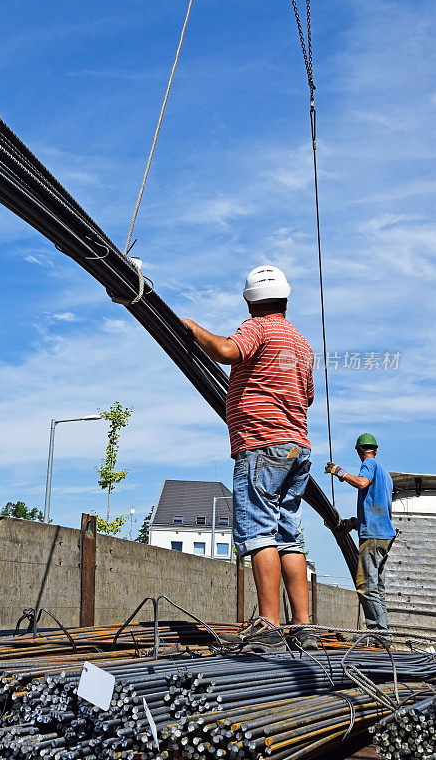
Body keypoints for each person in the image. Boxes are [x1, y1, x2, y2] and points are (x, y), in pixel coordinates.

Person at [182, 265, 316, 651]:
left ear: (249, 300)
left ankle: (268, 625)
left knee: (259, 532)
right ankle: (303, 627)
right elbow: (306, 396)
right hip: (297, 447)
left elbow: (227, 351)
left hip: (262, 445)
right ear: (286, 298)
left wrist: (193, 328)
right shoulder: (302, 344)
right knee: (289, 537)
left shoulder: (258, 327)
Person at [325, 433, 396, 641]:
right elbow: (377, 507)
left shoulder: (369, 465)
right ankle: (382, 634)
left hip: (373, 536)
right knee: (376, 588)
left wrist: (339, 472)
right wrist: (354, 523)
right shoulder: (386, 475)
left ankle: (380, 634)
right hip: (384, 536)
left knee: (365, 586)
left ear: (359, 451)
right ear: (376, 449)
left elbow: (362, 483)